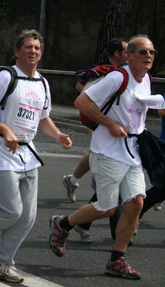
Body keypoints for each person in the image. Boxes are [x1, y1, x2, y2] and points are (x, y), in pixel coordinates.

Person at [0, 29, 72, 283]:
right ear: (16, 51)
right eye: (29, 47)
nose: (34, 51)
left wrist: (58, 135)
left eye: (37, 48)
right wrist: (4, 128)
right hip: (0, 150)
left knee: (28, 216)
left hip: (27, 153)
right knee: (10, 210)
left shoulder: (42, 83)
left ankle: (2, 265)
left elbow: (43, 118)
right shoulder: (5, 78)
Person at [49, 35, 155, 280]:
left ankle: (117, 259)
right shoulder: (119, 77)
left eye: (151, 52)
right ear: (129, 55)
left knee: (136, 203)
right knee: (107, 208)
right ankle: (63, 224)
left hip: (133, 152)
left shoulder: (146, 79)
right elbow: (82, 101)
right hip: (108, 151)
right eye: (142, 52)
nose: (148, 56)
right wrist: (109, 124)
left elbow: (135, 112)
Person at [63, 38, 128, 244]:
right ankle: (116, 235)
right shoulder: (108, 73)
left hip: (109, 127)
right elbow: (80, 91)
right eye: (128, 50)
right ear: (117, 53)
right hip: (102, 124)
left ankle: (73, 182)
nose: (132, 54)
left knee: (107, 176)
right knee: (106, 171)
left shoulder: (123, 74)